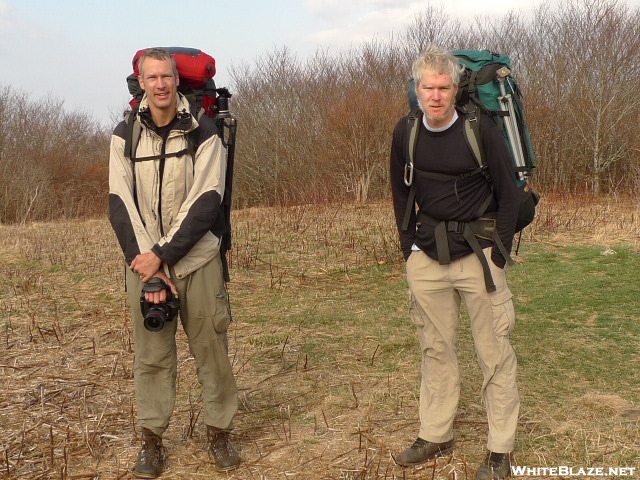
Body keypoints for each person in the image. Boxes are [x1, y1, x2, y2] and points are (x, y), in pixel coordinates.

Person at [389, 44, 521, 480]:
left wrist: (498, 253)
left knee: (494, 353)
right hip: (426, 256)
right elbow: (401, 191)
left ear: (454, 87)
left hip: (479, 256)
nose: (435, 95)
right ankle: (435, 433)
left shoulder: (479, 129)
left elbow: (510, 195)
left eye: (443, 87)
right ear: (417, 88)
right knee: (435, 347)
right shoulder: (405, 131)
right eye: (427, 87)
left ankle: (499, 449)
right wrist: (408, 246)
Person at [108, 48, 240, 477]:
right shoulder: (124, 134)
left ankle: (219, 432)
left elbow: (207, 202)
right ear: (141, 82)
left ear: (177, 81)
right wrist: (147, 263)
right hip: (143, 264)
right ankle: (151, 440)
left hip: (197, 261)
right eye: (152, 77)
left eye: (167, 76)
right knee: (151, 355)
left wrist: (162, 256)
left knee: (211, 350)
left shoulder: (204, 130)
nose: (161, 84)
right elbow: (119, 202)